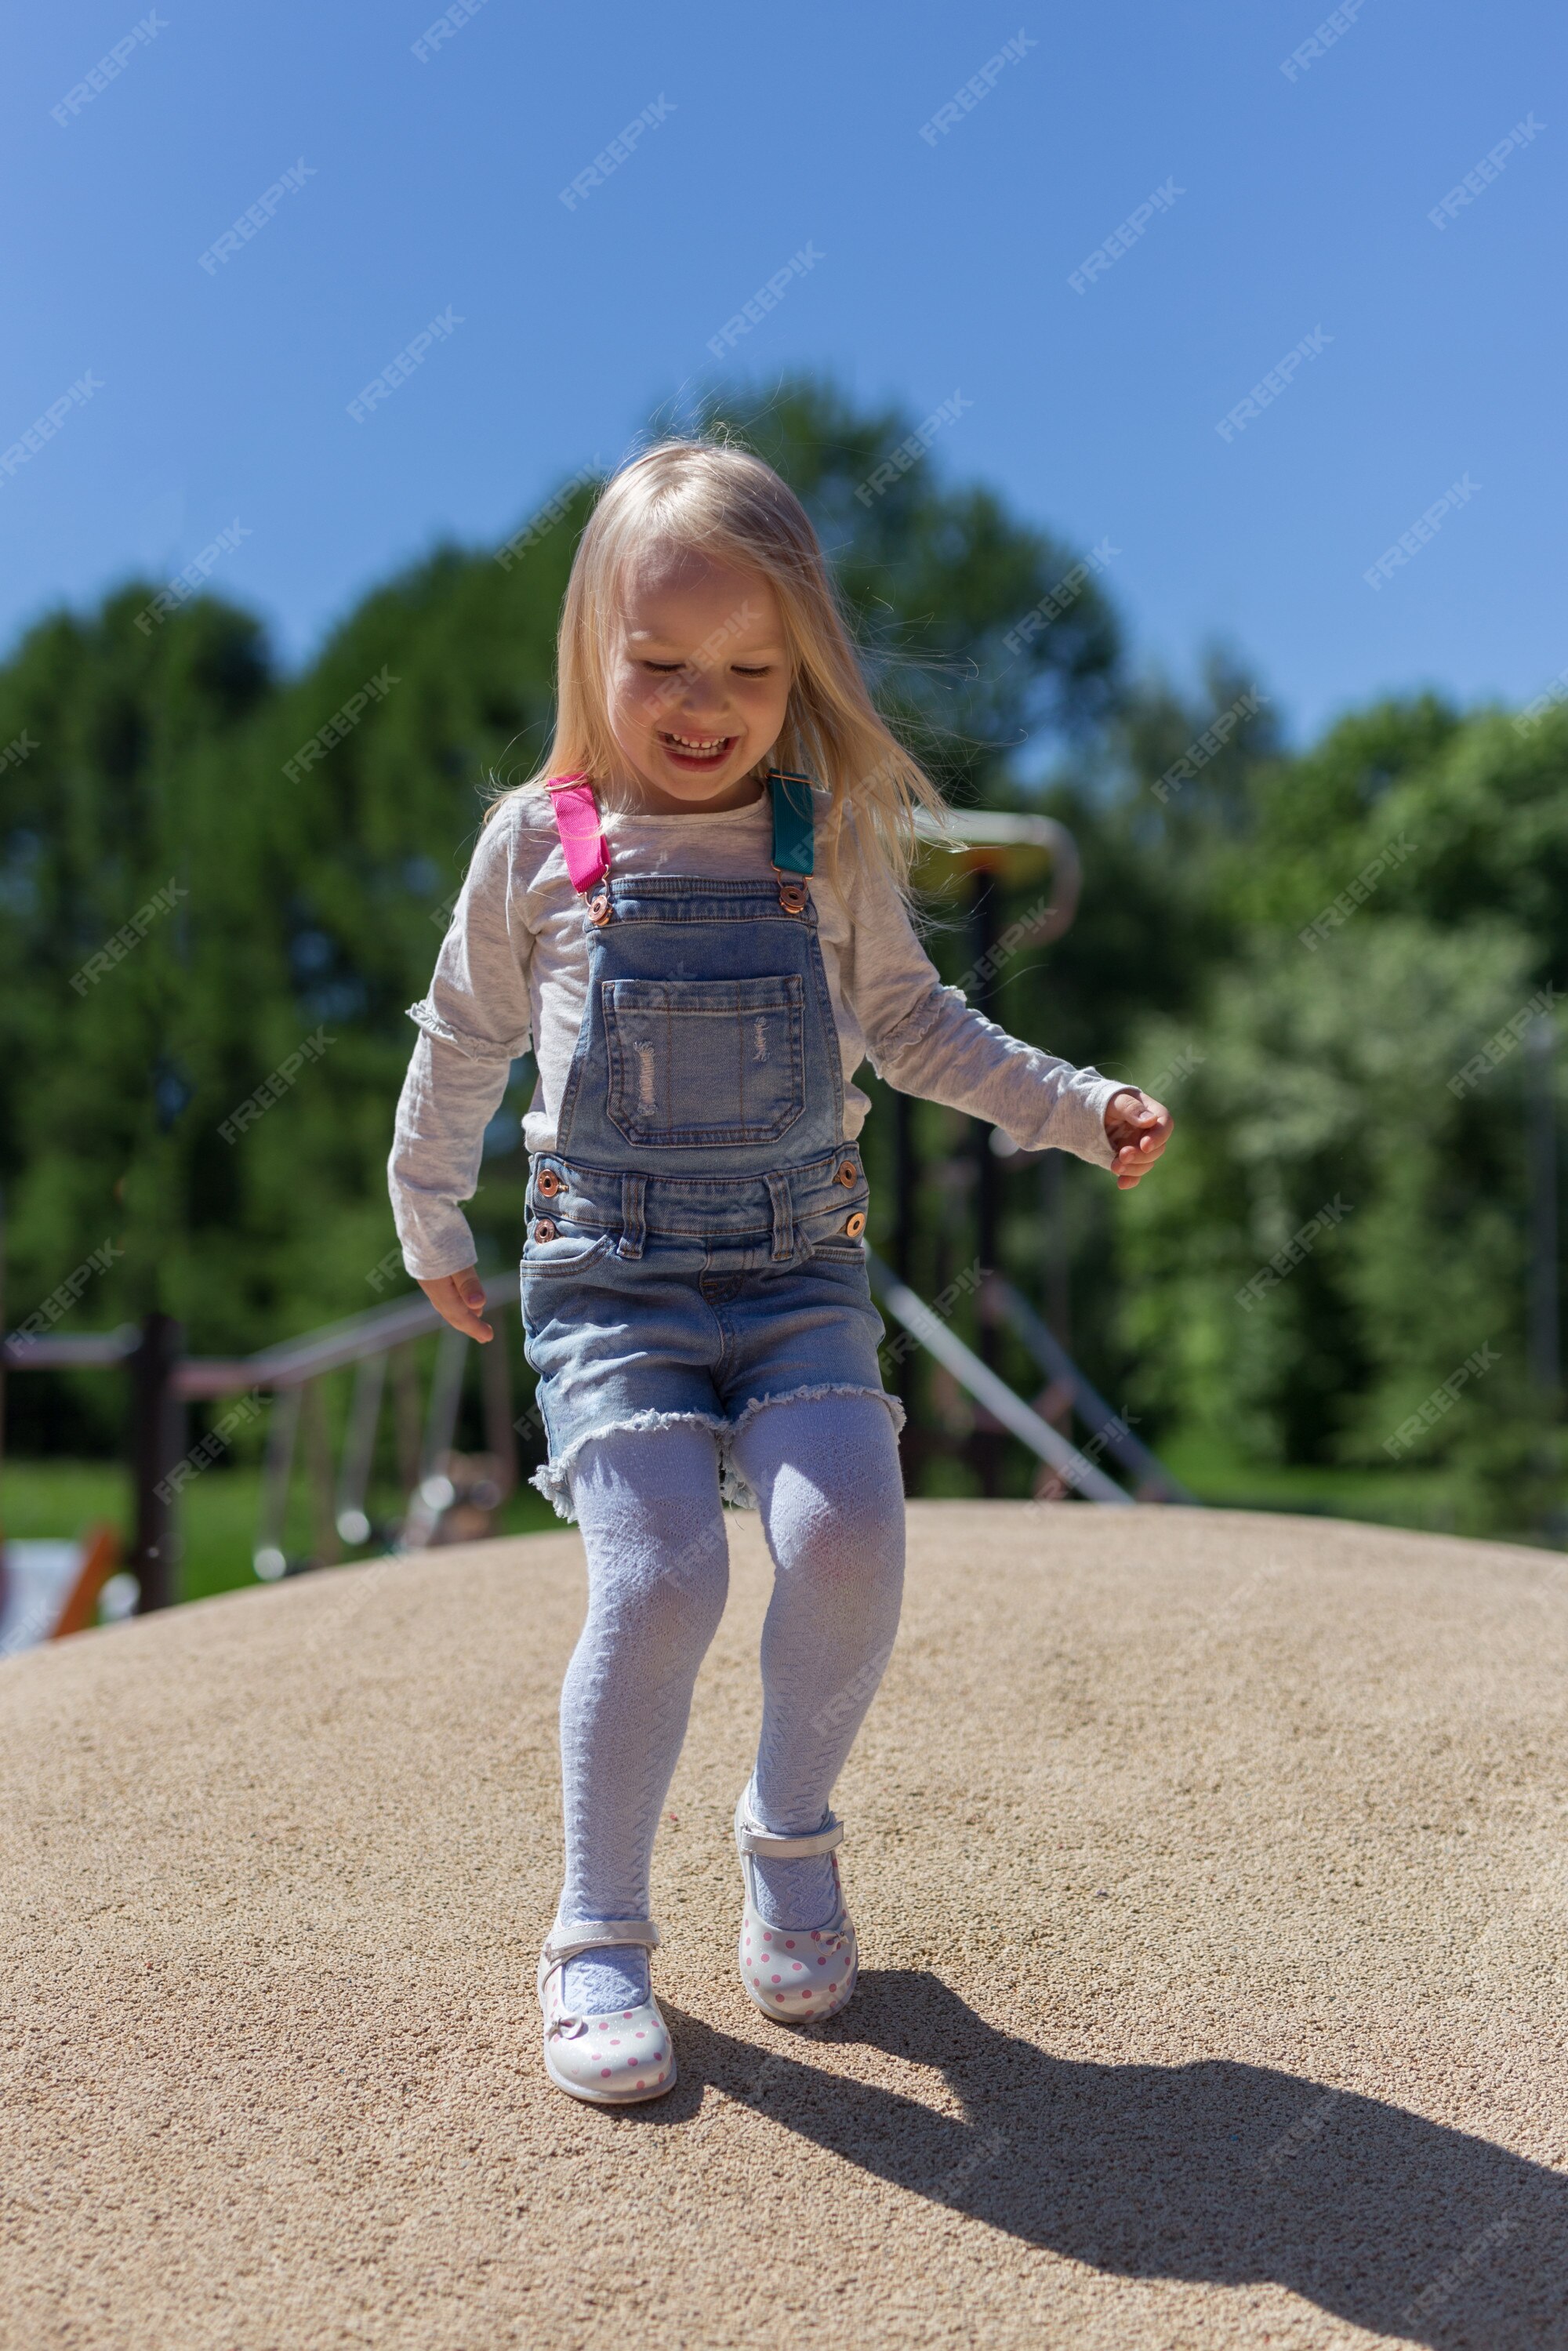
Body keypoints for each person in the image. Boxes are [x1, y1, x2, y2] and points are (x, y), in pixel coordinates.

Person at [387, 439, 1172, 2105]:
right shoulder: (541, 842)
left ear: (800, 662)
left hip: (798, 1266)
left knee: (847, 1531)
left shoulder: (828, 837)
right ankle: (594, 1931)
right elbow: (464, 1040)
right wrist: (429, 1219)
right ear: (591, 651)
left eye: (750, 668)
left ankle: (787, 1829)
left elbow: (909, 1024)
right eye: (659, 661)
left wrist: (1066, 1103)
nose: (702, 699)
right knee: (664, 1575)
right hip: (607, 1275)